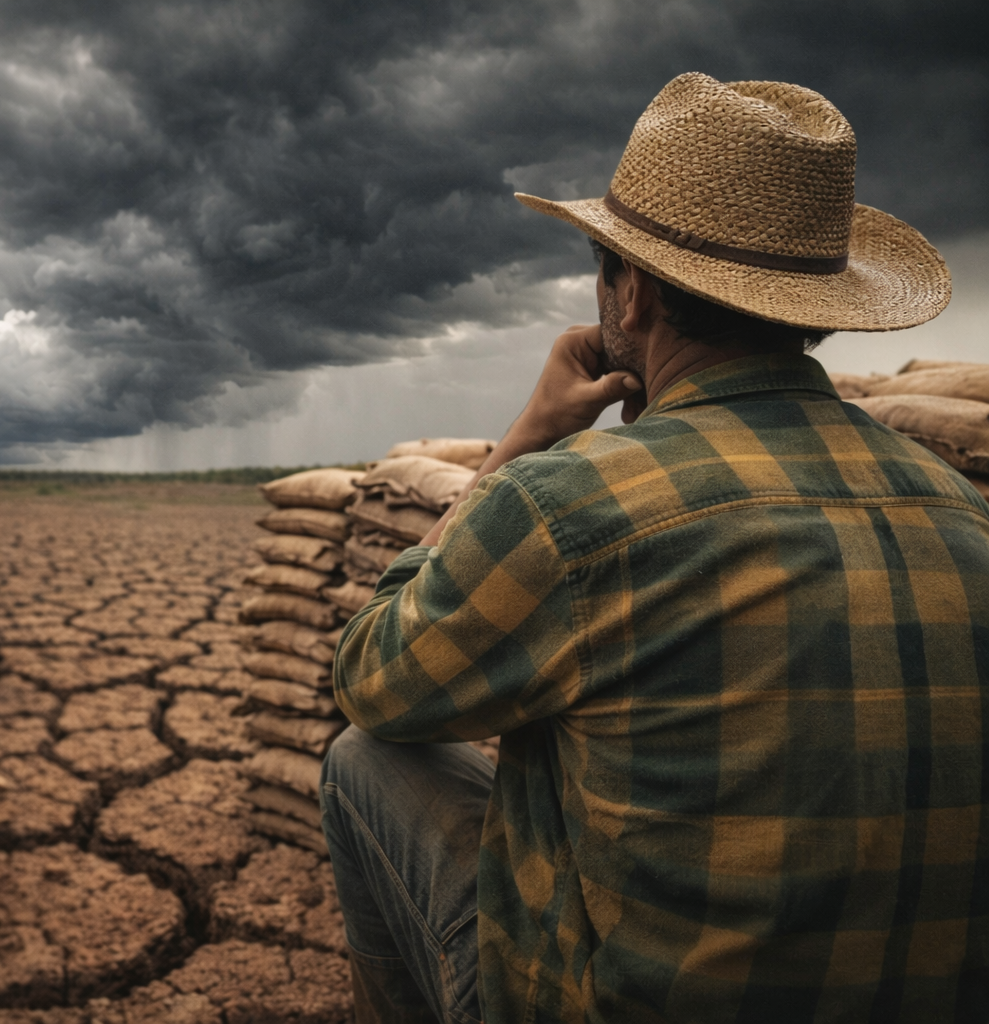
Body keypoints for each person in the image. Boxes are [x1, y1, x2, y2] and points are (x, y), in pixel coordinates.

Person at [322, 71, 987, 1024]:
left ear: (627, 290)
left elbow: (372, 672)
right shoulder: (962, 508)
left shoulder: (569, 508)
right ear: (821, 310)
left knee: (362, 759)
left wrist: (524, 440)